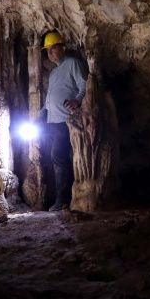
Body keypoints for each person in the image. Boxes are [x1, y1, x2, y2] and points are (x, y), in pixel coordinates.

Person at [41, 30, 87, 211]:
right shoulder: (53, 74)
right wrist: (41, 113)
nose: (50, 52)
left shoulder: (73, 63)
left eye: (53, 48)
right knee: (54, 157)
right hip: (52, 121)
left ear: (63, 48)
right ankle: (57, 197)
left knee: (59, 156)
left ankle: (63, 200)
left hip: (66, 121)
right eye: (48, 50)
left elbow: (84, 84)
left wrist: (77, 100)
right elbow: (49, 99)